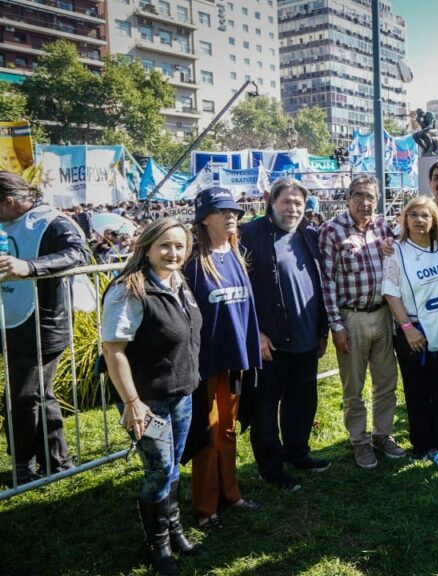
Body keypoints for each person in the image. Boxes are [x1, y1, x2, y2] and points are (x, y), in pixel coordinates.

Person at [101, 218, 202, 576]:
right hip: (148, 401)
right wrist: (132, 402)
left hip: (181, 394)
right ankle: (157, 544)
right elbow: (114, 351)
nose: (172, 253)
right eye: (164, 245)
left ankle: (174, 529)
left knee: (173, 464)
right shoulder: (129, 291)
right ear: (146, 247)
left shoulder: (179, 283)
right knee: (159, 470)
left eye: (179, 246)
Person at [239, 178, 330, 492]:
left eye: (298, 204)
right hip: (269, 343)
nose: (292, 209)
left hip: (306, 339)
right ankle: (272, 469)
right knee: (265, 409)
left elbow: (320, 284)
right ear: (270, 201)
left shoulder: (310, 234)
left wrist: (322, 331)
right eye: (286, 202)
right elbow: (239, 291)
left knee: (302, 403)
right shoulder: (248, 235)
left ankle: (298, 453)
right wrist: (256, 333)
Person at [0, 171, 90, 484]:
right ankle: (55, 462)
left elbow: (79, 253)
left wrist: (30, 267)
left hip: (43, 321)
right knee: (36, 393)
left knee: (24, 395)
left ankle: (27, 465)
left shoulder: (51, 221)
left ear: (9, 202)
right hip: (12, 317)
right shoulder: (8, 221)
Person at [182, 187, 262, 530]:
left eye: (235, 211)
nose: (232, 216)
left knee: (228, 430)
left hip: (234, 361)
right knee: (207, 434)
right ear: (204, 218)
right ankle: (205, 509)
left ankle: (232, 494)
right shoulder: (190, 261)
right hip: (204, 365)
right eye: (223, 211)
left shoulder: (234, 253)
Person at [319, 174, 405, 469]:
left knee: (386, 381)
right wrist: (336, 325)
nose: (365, 202)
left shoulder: (383, 226)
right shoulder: (332, 230)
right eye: (359, 196)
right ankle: (359, 441)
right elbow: (327, 281)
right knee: (353, 386)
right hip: (351, 317)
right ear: (348, 198)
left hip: (382, 313)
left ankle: (383, 434)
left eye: (370, 197)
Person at [383, 197, 438, 464]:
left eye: (425, 215)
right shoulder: (396, 251)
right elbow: (391, 294)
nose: (419, 220)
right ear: (404, 219)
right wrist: (407, 328)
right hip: (414, 332)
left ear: (434, 220)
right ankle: (422, 445)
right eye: (413, 215)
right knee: (417, 392)